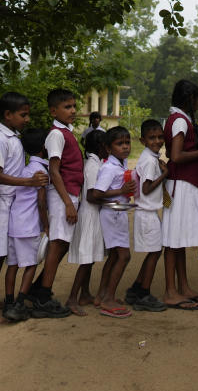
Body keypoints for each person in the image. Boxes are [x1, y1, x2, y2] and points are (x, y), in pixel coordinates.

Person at [0, 92, 47, 326]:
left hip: (11, 204)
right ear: (7, 115)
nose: (27, 119)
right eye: (23, 114)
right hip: (0, 202)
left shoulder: (13, 138)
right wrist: (28, 183)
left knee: (2, 256)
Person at [30, 89, 81, 318]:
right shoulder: (56, 135)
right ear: (54, 110)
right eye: (67, 107)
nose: (72, 111)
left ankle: (39, 289)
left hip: (70, 194)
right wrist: (68, 203)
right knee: (58, 243)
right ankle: (43, 296)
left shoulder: (67, 132)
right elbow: (54, 170)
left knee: (63, 244)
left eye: (73, 106)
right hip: (63, 196)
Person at [161, 80, 198, 310]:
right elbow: (177, 156)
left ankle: (183, 286)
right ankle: (171, 291)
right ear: (190, 99)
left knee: (178, 239)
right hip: (179, 186)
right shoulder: (180, 120)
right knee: (173, 240)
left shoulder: (178, 118)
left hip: (180, 185)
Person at [2, 128, 50, 321]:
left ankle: (9, 301)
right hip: (29, 226)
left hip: (14, 224)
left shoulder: (23, 169)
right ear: (43, 148)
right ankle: (20, 303)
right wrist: (46, 225)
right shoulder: (41, 172)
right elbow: (41, 203)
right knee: (31, 264)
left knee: (12, 265)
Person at [90, 127, 137, 318]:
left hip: (117, 213)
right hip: (112, 214)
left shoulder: (120, 163)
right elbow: (96, 193)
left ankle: (102, 295)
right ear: (108, 148)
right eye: (120, 144)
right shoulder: (109, 168)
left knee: (115, 256)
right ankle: (109, 298)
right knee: (124, 256)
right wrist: (121, 191)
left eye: (127, 142)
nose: (125, 147)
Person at [123, 120, 168, 312]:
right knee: (155, 252)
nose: (157, 141)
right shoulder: (150, 161)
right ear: (143, 140)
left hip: (148, 213)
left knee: (154, 251)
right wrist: (164, 174)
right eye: (152, 138)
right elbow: (147, 188)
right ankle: (143, 293)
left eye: (159, 137)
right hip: (147, 213)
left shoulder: (150, 157)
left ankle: (136, 289)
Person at [66, 130, 107, 314]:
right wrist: (110, 201)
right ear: (101, 147)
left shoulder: (96, 163)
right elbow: (91, 196)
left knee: (90, 260)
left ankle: (85, 293)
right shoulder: (92, 165)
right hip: (90, 214)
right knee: (86, 260)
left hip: (93, 214)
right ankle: (72, 298)